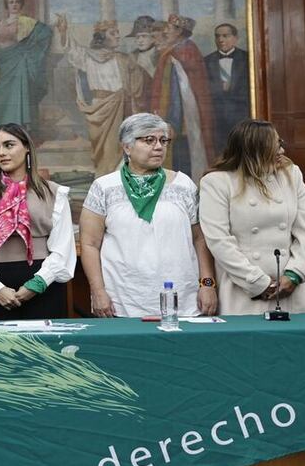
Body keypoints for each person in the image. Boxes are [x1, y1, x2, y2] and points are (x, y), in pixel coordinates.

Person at [80, 113, 218, 318]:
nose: (159, 146)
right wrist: (98, 291)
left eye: (163, 140)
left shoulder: (183, 184)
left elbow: (200, 239)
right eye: (149, 140)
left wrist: (207, 284)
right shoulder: (105, 187)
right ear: (127, 147)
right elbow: (90, 244)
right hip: (123, 300)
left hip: (182, 297)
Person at [199, 120, 305, 314]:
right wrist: (258, 282)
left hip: (296, 288)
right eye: (275, 146)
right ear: (254, 149)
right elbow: (219, 240)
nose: (282, 151)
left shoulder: (291, 174)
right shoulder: (217, 182)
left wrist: (294, 275)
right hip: (244, 288)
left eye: (281, 144)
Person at [0, 123, 76, 320]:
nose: (1, 153)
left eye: (9, 145)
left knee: (45, 350)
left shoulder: (54, 193)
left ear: (26, 148)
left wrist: (37, 283)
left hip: (44, 284)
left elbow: (63, 247)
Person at [55, 16, 148, 177]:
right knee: (102, 151)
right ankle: (104, 179)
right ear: (102, 37)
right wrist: (63, 31)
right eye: (113, 33)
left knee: (120, 146)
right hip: (100, 108)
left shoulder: (123, 58)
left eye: (118, 33)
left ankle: (120, 180)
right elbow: (71, 49)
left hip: (121, 107)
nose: (118, 36)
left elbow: (139, 81)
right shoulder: (88, 56)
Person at [151, 14, 216, 178]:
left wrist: (173, 119)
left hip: (185, 111)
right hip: (178, 111)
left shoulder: (185, 51)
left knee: (185, 146)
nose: (166, 31)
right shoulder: (173, 51)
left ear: (179, 32)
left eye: (169, 28)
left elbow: (179, 89)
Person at [0, 0, 53, 128]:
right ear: (7, 5)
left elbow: (45, 33)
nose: (14, 4)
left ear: (21, 4)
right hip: (2, 62)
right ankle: (2, 126)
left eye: (17, 1)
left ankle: (19, 127)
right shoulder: (2, 23)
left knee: (17, 95)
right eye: (11, 2)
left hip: (18, 64)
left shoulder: (27, 22)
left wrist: (27, 53)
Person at [204, 23, 251, 149]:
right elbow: (203, 90)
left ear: (235, 38)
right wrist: (219, 89)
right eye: (217, 36)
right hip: (216, 116)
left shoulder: (247, 58)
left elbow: (251, 89)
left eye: (225, 36)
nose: (220, 40)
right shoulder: (207, 61)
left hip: (241, 115)